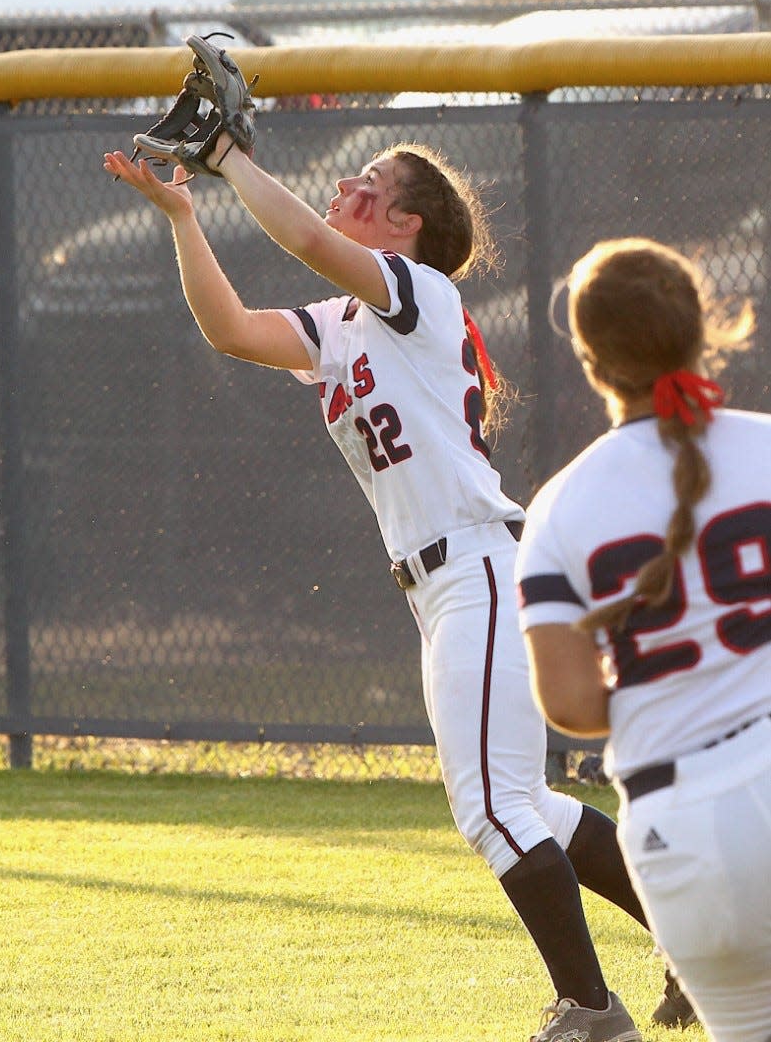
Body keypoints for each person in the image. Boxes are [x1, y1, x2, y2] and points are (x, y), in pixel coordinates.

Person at [103, 131, 689, 1041]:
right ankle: (697, 952)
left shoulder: (421, 292)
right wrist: (185, 215)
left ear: (407, 226)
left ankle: (589, 1010)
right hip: (441, 584)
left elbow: (304, 238)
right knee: (525, 803)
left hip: (479, 564)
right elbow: (230, 329)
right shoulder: (342, 323)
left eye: (371, 185)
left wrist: (230, 159)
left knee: (491, 808)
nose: (347, 185)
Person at [517, 236, 769, 1042]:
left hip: (678, 826)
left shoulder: (559, 506)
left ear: (589, 361)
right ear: (706, 329)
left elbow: (571, 705)